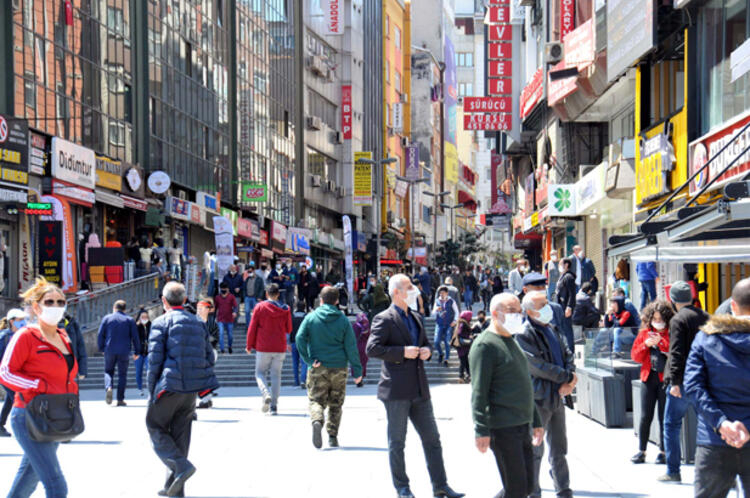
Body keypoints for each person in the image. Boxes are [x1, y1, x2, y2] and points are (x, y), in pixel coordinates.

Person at [366, 274, 464, 498]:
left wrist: (427, 352)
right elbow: (372, 349)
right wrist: (402, 353)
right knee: (397, 442)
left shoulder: (417, 317)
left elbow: (425, 344)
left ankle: (441, 485)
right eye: (410, 287)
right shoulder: (384, 318)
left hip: (420, 388)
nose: (415, 290)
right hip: (397, 390)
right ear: (397, 292)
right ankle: (403, 488)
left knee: (432, 439)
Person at [0, 277, 78, 496]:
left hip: (55, 415)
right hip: (28, 415)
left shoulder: (63, 336)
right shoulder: (25, 336)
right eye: (50, 302)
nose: (56, 307)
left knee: (29, 477)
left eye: (61, 302)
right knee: (56, 485)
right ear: (36, 307)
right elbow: (5, 372)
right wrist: (37, 384)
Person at [147, 281, 219, 497]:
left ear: (164, 301)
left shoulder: (160, 322)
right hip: (190, 389)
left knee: (155, 425)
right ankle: (175, 487)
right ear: (185, 300)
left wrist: (152, 391)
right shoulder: (198, 323)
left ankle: (181, 467)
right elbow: (209, 355)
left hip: (169, 385)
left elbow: (154, 361)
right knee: (181, 433)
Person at [470, 293, 544, 498]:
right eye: (512, 311)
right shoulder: (485, 345)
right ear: (495, 314)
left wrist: (536, 420)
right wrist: (481, 429)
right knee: (517, 488)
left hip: (521, 424)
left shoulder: (512, 340)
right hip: (502, 427)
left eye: (519, 310)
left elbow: (525, 385)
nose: (518, 315)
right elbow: (479, 392)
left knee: (527, 485)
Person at [684, 278, 750, 497]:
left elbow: (693, 386)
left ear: (732, 306)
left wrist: (722, 424)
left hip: (714, 439)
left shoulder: (705, 339)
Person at [517, 291, 576, 498]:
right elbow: (537, 366)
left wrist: (569, 379)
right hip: (539, 398)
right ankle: (533, 491)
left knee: (559, 447)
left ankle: (563, 487)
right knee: (535, 450)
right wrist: (567, 377)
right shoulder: (524, 333)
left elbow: (567, 353)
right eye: (542, 304)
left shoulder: (552, 328)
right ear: (531, 310)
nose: (548, 307)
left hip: (558, 396)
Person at [295, 286, 363, 448]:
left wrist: (309, 360)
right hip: (339, 367)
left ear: (321, 300)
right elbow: (351, 347)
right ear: (337, 301)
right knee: (336, 403)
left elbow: (299, 338)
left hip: (319, 366)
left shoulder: (311, 318)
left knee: (316, 400)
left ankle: (317, 420)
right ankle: (332, 436)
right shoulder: (343, 320)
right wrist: (357, 371)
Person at [659, 280, 710, 483]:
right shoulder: (706, 316)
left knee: (671, 425)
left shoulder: (678, 320)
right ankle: (712, 470)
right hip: (704, 382)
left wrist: (675, 382)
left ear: (673, 300)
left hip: (683, 383)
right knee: (708, 425)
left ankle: (673, 471)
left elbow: (677, 352)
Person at [630, 300, 673, 465]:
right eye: (654, 318)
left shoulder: (670, 332)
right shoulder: (644, 333)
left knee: (664, 416)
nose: (657, 321)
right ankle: (642, 450)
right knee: (645, 415)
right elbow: (635, 356)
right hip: (648, 378)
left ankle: (663, 451)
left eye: (660, 318)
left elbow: (674, 352)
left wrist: (661, 344)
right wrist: (646, 344)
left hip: (665, 378)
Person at [245, 283, 291, 415]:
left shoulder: (260, 307)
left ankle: (265, 394)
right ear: (278, 294)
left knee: (259, 373)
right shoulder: (285, 309)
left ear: (266, 294)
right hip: (280, 346)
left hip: (263, 346)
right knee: (276, 375)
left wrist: (249, 345)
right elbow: (289, 329)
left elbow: (252, 328)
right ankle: (274, 406)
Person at [97, 299, 140, 406]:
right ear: (125, 309)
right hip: (124, 351)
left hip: (109, 349)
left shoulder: (107, 318)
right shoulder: (129, 320)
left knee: (108, 371)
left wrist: (102, 348)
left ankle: (109, 387)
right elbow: (135, 337)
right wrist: (137, 351)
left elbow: (100, 335)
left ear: (114, 308)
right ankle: (120, 399)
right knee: (122, 374)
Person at [524, 272, 573, 352]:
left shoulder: (556, 309)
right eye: (537, 287)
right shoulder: (520, 312)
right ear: (525, 290)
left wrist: (569, 360)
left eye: (543, 287)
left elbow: (566, 336)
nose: (541, 290)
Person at [0, 309, 26, 437]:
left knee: (10, 399)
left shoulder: (23, 335)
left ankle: (0, 424)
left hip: (17, 374)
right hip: (5, 375)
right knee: (18, 397)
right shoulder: (4, 336)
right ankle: (24, 426)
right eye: (20, 320)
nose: (23, 322)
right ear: (12, 321)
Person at [433, 286, 458, 366]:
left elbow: (457, 312)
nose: (441, 294)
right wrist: (436, 309)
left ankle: (446, 359)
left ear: (447, 293)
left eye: (443, 293)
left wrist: (455, 321)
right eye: (440, 293)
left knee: (447, 342)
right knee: (436, 342)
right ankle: (441, 353)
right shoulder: (437, 301)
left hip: (448, 324)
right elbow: (433, 313)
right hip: (439, 324)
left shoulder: (451, 301)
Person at [60, 312, 88, 383]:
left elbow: (81, 347)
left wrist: (82, 370)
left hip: (72, 369)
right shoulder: (47, 324)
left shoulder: (73, 324)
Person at [213, 282, 238, 354]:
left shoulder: (231, 297)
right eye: (222, 289)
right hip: (220, 319)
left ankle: (230, 346)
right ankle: (222, 349)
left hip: (229, 319)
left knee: (230, 335)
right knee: (220, 334)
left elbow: (235, 306)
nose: (223, 290)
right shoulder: (217, 297)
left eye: (224, 289)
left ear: (227, 289)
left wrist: (235, 312)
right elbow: (215, 307)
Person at [452, 310, 474, 382]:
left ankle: (469, 375)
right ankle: (461, 376)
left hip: (462, 347)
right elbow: (460, 333)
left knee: (466, 361)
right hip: (463, 346)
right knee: (463, 361)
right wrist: (468, 337)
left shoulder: (460, 323)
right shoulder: (463, 324)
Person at [290, 301, 308, 388]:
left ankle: (296, 381)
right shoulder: (306, 317)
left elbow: (289, 330)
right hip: (304, 342)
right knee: (304, 362)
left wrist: (288, 342)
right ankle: (303, 380)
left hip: (293, 342)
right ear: (304, 307)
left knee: (295, 362)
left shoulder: (292, 317)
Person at [135, 309, 151, 396]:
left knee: (149, 370)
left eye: (146, 317)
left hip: (148, 352)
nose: (145, 318)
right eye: (143, 317)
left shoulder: (151, 325)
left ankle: (149, 388)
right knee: (138, 371)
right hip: (139, 352)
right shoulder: (136, 327)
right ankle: (140, 388)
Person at [352, 312, 371, 379]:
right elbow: (369, 337)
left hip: (355, 346)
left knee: (355, 362)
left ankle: (356, 377)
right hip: (364, 347)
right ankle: (361, 377)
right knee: (363, 362)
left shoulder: (355, 325)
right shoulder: (366, 326)